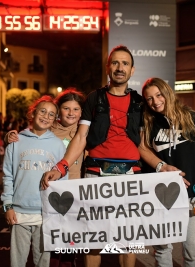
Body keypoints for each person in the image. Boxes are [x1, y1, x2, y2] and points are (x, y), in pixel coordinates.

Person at [41, 45, 144, 267]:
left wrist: (164, 166)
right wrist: (61, 167)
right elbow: (81, 137)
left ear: (132, 70)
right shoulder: (93, 98)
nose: (120, 67)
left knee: (128, 237)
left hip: (131, 174)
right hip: (96, 172)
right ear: (108, 67)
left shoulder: (139, 102)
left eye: (125, 63)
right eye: (115, 63)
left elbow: (144, 144)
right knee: (94, 237)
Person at [138, 77, 195, 267]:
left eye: (158, 95)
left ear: (167, 93)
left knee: (192, 251)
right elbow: (145, 158)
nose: (155, 102)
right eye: (149, 98)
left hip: (189, 197)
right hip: (159, 197)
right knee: (163, 248)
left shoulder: (191, 117)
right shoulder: (147, 123)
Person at [6, 88, 86, 267]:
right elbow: (30, 137)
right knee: (50, 250)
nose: (71, 113)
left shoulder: (85, 132)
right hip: (49, 198)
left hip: (74, 196)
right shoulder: (50, 129)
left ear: (82, 112)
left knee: (69, 248)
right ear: (59, 111)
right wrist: (11, 137)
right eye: (66, 108)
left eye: (76, 109)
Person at [1, 95, 68, 267]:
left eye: (51, 114)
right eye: (43, 111)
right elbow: (8, 175)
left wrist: (57, 211)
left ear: (55, 119)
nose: (46, 116)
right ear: (33, 113)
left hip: (45, 213)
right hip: (19, 212)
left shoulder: (58, 145)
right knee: (17, 262)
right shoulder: (16, 141)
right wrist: (8, 206)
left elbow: (62, 178)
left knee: (43, 262)